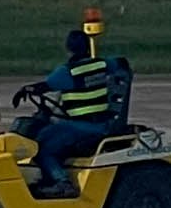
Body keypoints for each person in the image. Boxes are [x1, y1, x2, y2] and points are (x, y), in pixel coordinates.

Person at [12, 27, 128, 196]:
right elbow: (121, 63)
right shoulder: (102, 64)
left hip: (82, 127)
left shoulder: (67, 72)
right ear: (88, 46)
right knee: (53, 134)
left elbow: (43, 87)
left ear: (68, 48)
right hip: (102, 123)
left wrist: (25, 90)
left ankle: (62, 182)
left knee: (40, 147)